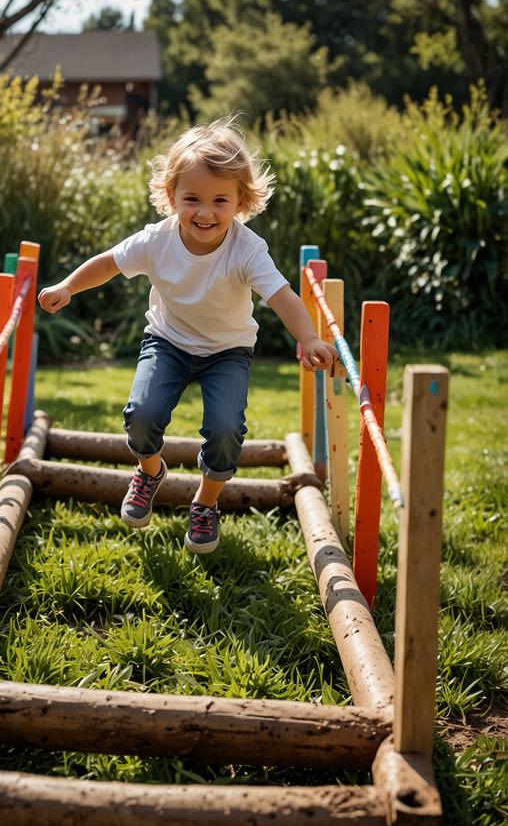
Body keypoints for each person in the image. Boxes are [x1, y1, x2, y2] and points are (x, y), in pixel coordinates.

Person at [38, 118, 337, 554]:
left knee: (224, 431)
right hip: (167, 341)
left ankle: (205, 503)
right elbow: (108, 262)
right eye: (192, 198)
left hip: (228, 352)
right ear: (171, 196)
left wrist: (308, 337)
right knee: (141, 415)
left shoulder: (247, 249)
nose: (205, 212)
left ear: (240, 202)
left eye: (220, 200)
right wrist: (67, 286)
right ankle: (150, 471)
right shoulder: (155, 241)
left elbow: (283, 296)